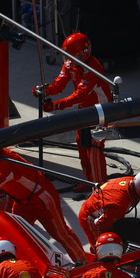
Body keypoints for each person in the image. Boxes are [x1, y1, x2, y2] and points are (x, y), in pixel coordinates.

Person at [0, 134, 87, 264]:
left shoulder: (7, 162)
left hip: (42, 200)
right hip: (22, 202)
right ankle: (23, 263)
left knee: (60, 234)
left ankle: (82, 261)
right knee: (17, 233)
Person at [35, 33, 112, 189]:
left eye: (73, 56)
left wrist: (56, 106)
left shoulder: (93, 68)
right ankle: (88, 180)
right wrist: (45, 91)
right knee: (82, 145)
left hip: (101, 112)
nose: (68, 60)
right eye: (67, 56)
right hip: (85, 110)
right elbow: (59, 85)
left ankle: (100, 187)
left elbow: (79, 96)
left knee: (94, 149)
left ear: (84, 52)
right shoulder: (71, 64)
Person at [78, 170, 140, 246]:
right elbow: (101, 225)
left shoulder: (133, 181)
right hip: (90, 217)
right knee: (103, 247)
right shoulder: (120, 205)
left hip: (105, 209)